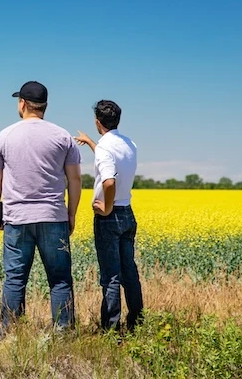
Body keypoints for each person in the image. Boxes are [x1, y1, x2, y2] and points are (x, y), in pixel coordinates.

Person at [0, 81, 82, 339]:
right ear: (45, 106)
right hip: (53, 217)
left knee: (15, 279)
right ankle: (63, 334)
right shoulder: (62, 136)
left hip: (17, 219)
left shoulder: (5, 135)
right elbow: (75, 180)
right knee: (60, 279)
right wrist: (71, 214)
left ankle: (11, 334)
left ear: (23, 104)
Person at [74, 100, 143, 333]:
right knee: (129, 272)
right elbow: (111, 160)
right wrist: (92, 143)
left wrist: (106, 206)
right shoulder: (129, 143)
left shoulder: (105, 147)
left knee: (111, 276)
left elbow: (109, 180)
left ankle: (110, 331)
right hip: (127, 213)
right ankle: (136, 322)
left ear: (97, 122)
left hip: (110, 217)